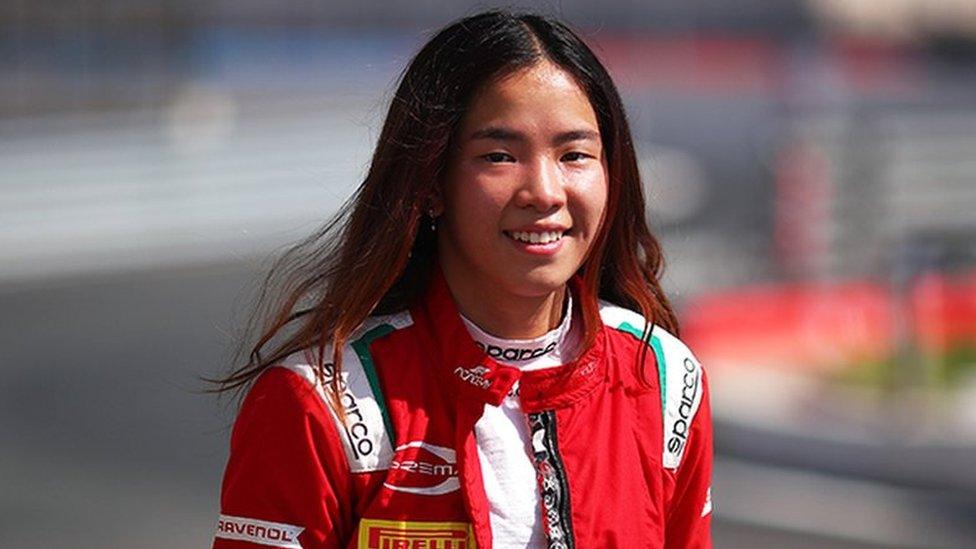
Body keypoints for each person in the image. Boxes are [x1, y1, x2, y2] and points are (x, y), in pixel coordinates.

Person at [212, 9, 712, 549]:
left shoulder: (662, 378)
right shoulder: (322, 402)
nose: (544, 191)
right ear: (429, 183)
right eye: (499, 156)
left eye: (574, 155)